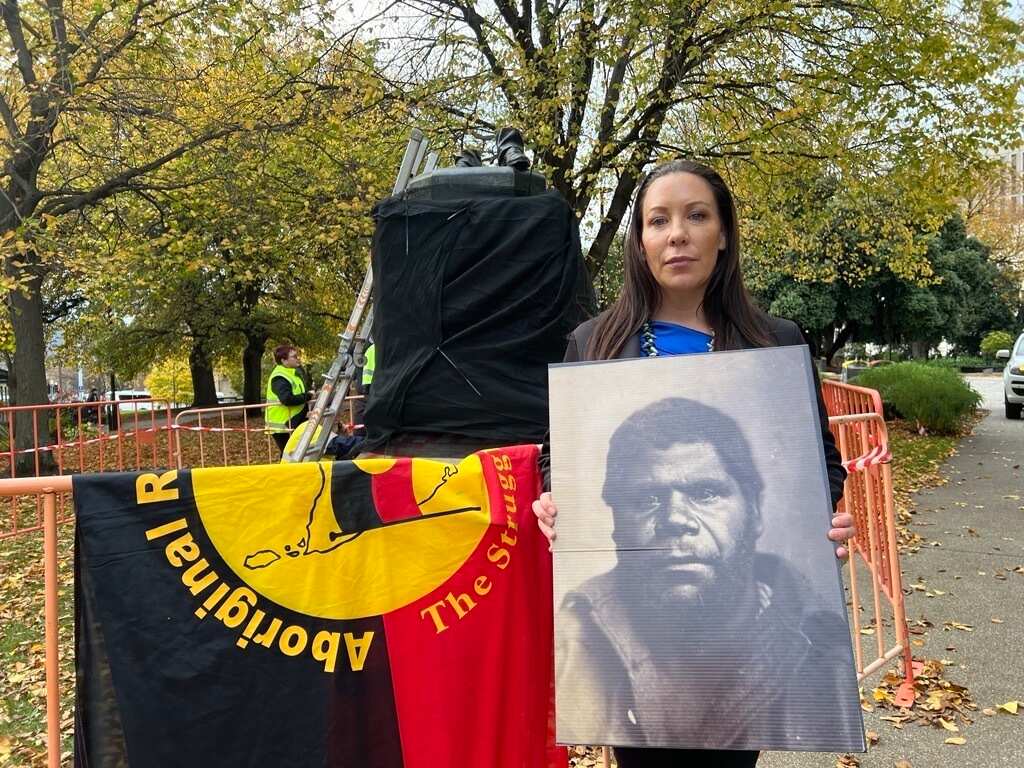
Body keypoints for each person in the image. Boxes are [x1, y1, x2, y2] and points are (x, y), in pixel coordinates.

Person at [532, 159, 856, 767]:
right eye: (659, 221)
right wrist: (555, 499)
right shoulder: (594, 344)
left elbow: (823, 463)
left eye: (696, 216)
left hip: (736, 637)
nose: (677, 234)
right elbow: (559, 456)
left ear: (723, 233)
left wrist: (827, 516)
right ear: (641, 241)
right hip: (637, 618)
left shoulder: (774, 342)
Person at [556, 397, 862, 753]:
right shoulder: (572, 638)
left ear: (755, 510)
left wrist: (824, 517)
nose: (675, 519)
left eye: (705, 493)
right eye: (647, 498)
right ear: (615, 521)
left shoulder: (821, 645)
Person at [265, 345, 311, 455]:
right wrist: (307, 396)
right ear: (284, 360)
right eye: (294, 356)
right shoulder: (279, 377)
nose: (297, 358)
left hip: (293, 421)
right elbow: (287, 399)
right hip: (283, 425)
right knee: (290, 455)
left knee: (296, 454)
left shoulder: (292, 374)